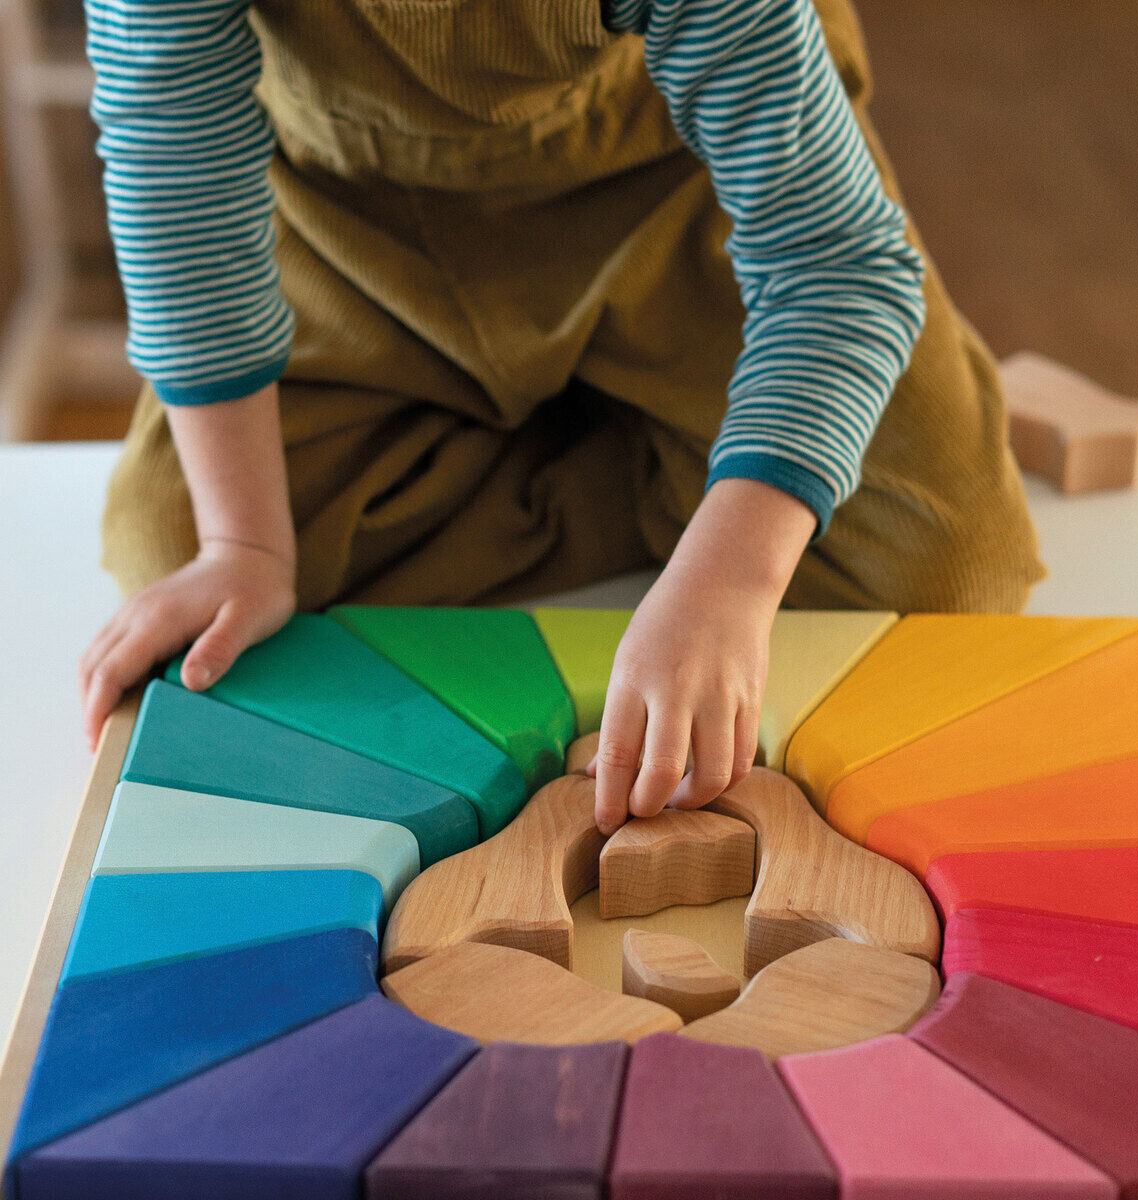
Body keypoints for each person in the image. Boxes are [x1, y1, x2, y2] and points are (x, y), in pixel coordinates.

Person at [77, 0, 1045, 836]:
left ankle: (663, 461)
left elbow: (835, 264)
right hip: (356, 233)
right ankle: (655, 455)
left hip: (671, 187)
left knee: (944, 556)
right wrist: (244, 543)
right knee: (175, 545)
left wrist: (729, 580)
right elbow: (176, 162)